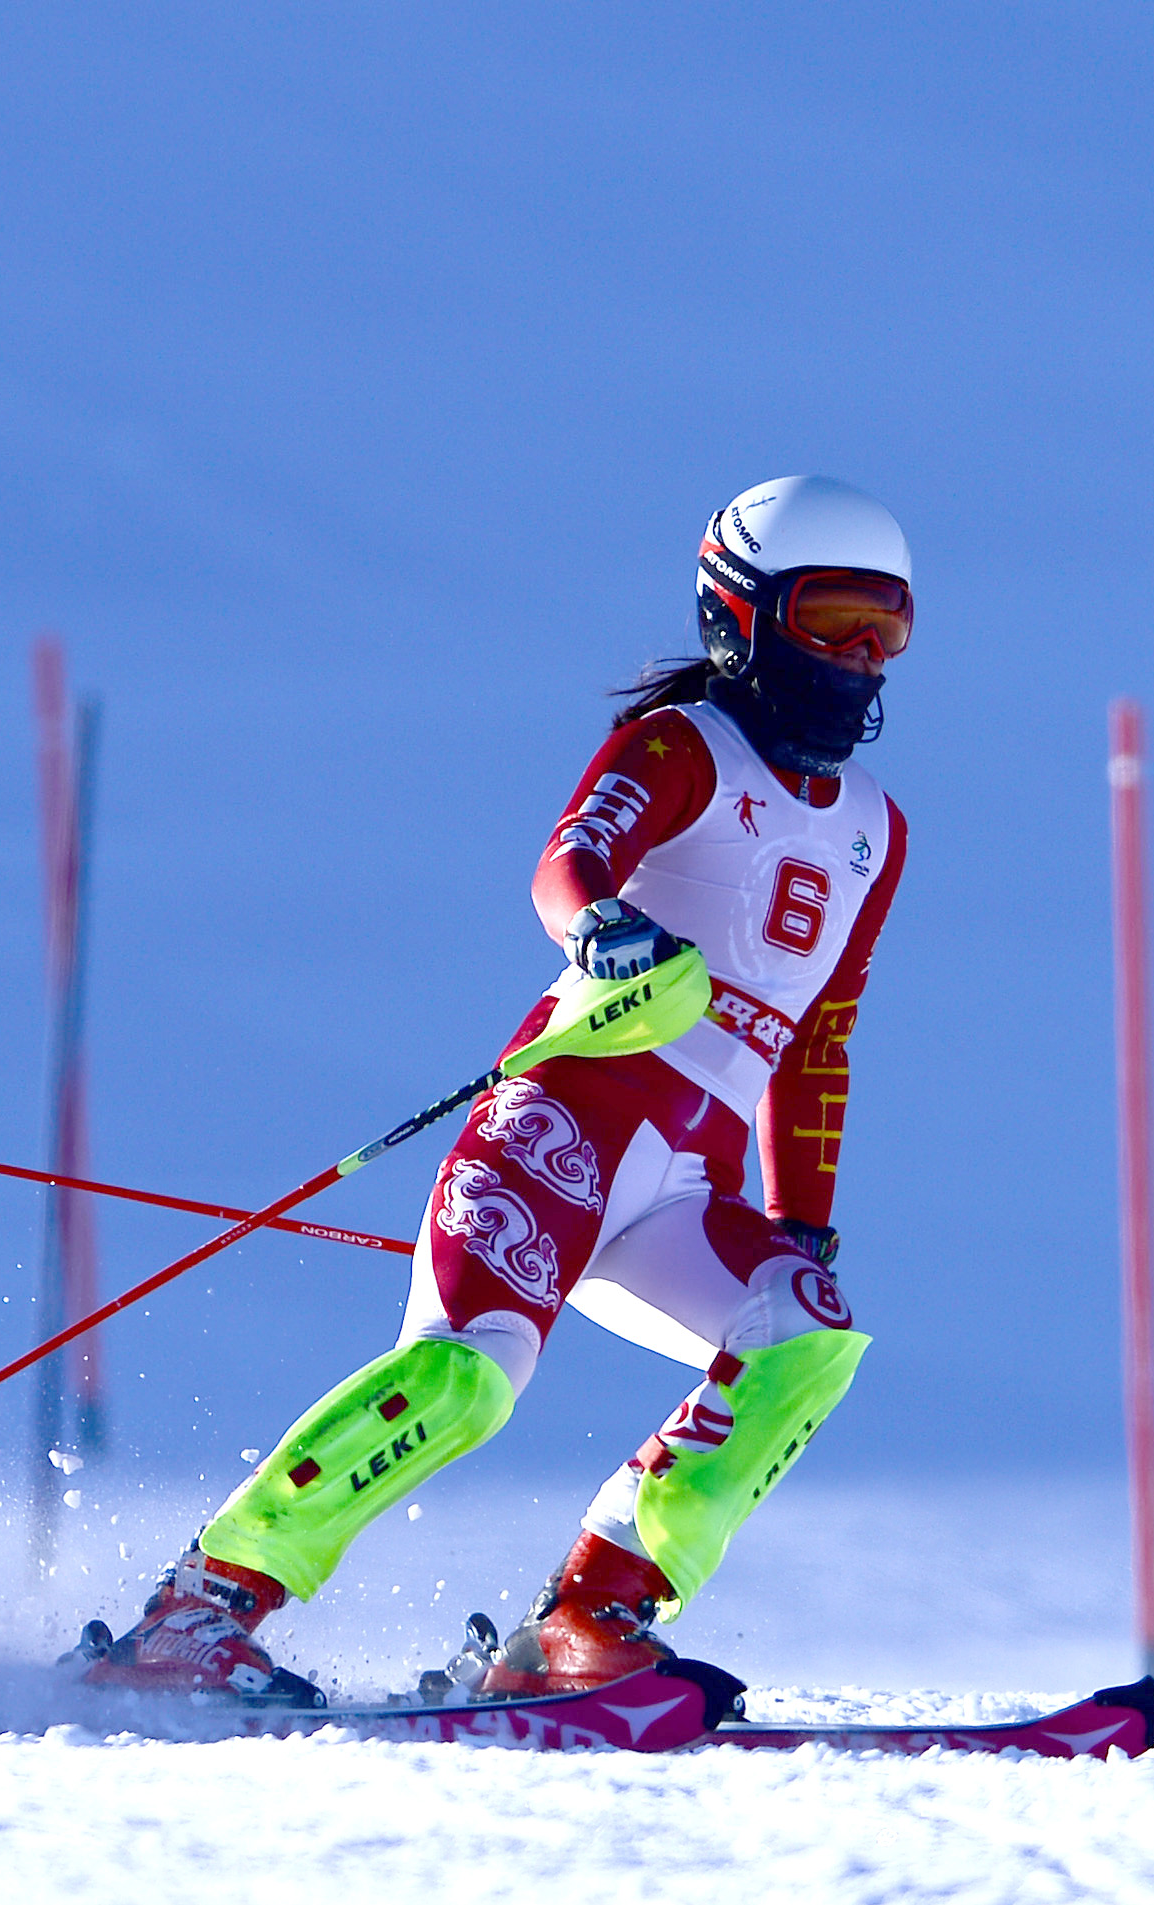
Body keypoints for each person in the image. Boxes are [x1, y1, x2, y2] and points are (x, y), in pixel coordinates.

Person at [81, 474, 914, 1703]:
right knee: (467, 1376)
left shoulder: (872, 832)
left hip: (682, 1182)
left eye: (883, 627)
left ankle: (587, 1618)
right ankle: (198, 1609)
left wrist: (798, 1219)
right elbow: (568, 859)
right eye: (827, 619)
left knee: (807, 1332)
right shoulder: (685, 746)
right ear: (739, 618)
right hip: (561, 1125)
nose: (856, 659)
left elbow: (818, 1034)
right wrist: (601, 929)